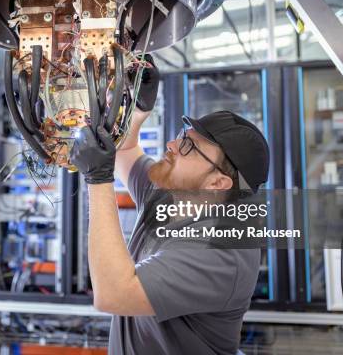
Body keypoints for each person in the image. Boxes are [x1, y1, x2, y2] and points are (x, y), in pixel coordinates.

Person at [70, 58, 270, 355]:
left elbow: (113, 294)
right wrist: (137, 113)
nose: (172, 146)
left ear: (218, 183)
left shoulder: (224, 251)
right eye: (181, 137)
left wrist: (98, 179)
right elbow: (125, 151)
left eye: (188, 147)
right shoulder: (174, 195)